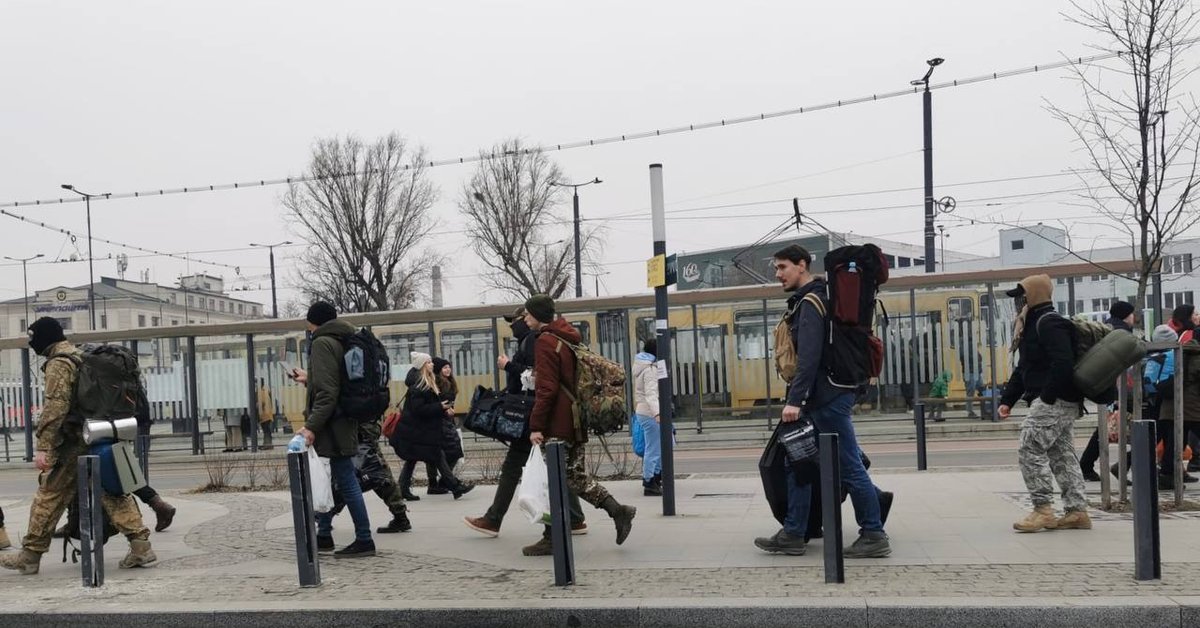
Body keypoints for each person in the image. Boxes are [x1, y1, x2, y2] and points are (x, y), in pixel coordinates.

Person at [753, 245, 890, 558]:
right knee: (797, 462)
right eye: (777, 269)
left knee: (848, 466)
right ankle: (794, 532)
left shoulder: (812, 303)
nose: (778, 274)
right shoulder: (815, 299)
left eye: (783, 267)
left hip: (826, 398)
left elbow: (809, 357)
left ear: (802, 265)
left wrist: (794, 400)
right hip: (827, 395)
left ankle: (873, 531)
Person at [1, 317, 156, 575]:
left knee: (49, 495)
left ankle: (30, 555)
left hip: (75, 441)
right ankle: (141, 546)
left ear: (45, 338)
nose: (32, 343)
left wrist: (44, 446)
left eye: (33, 338)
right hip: (100, 433)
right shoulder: (80, 355)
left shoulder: (60, 363)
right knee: (111, 490)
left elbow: (55, 407)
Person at [463, 307, 588, 555]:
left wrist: (509, 366)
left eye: (517, 320)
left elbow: (540, 379)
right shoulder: (535, 339)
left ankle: (494, 519)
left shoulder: (534, 341)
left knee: (515, 468)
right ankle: (575, 519)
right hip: (536, 413)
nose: (513, 326)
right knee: (555, 468)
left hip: (532, 415)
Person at [524, 295, 637, 549]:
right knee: (574, 476)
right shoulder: (565, 338)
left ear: (538, 315)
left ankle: (552, 538)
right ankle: (618, 511)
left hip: (556, 423)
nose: (525, 318)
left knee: (552, 478)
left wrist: (536, 425)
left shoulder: (545, 341)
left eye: (528, 313)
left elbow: (548, 389)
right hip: (574, 420)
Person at [998, 275, 1091, 533]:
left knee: (1029, 448)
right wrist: (1008, 399)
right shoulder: (1032, 324)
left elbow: (1063, 363)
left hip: (1055, 399)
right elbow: (1025, 366)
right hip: (1054, 398)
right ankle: (1077, 511)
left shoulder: (1049, 323)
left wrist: (1047, 397)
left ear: (1035, 294)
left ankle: (1043, 510)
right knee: (1061, 454)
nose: (1019, 301)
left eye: (1022, 295)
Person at [292, 302, 376, 558]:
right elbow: (335, 380)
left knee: (346, 478)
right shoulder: (341, 338)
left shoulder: (321, 342)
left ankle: (364, 538)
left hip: (333, 423)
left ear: (312, 322)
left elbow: (328, 393)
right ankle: (324, 534)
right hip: (343, 418)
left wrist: (310, 426)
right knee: (330, 476)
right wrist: (310, 378)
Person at [393, 352, 474, 500]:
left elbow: (425, 407)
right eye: (429, 362)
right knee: (433, 455)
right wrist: (440, 406)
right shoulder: (420, 384)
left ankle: (403, 490)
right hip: (416, 429)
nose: (432, 364)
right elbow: (419, 409)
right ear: (423, 366)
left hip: (420, 429)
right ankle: (455, 487)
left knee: (420, 458)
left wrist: (441, 408)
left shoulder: (425, 381)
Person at [1079, 300, 1136, 481]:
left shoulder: (1105, 327)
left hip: (1106, 385)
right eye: (1132, 314)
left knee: (1104, 427)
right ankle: (1121, 465)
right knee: (1144, 427)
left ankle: (1086, 465)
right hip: (1120, 388)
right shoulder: (1123, 333)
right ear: (1127, 315)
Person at [426, 357, 464, 495]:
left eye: (449, 367)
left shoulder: (450, 382)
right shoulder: (437, 383)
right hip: (440, 422)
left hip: (448, 422)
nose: (448, 369)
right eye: (444, 367)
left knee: (447, 453)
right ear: (439, 370)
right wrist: (445, 409)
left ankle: (441, 482)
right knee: (444, 452)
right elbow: (437, 402)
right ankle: (438, 483)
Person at [633, 339, 663, 496]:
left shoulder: (643, 366)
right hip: (650, 413)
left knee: (656, 447)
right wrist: (657, 413)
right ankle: (649, 481)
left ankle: (656, 477)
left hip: (644, 411)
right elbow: (651, 393)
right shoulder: (650, 370)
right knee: (653, 448)